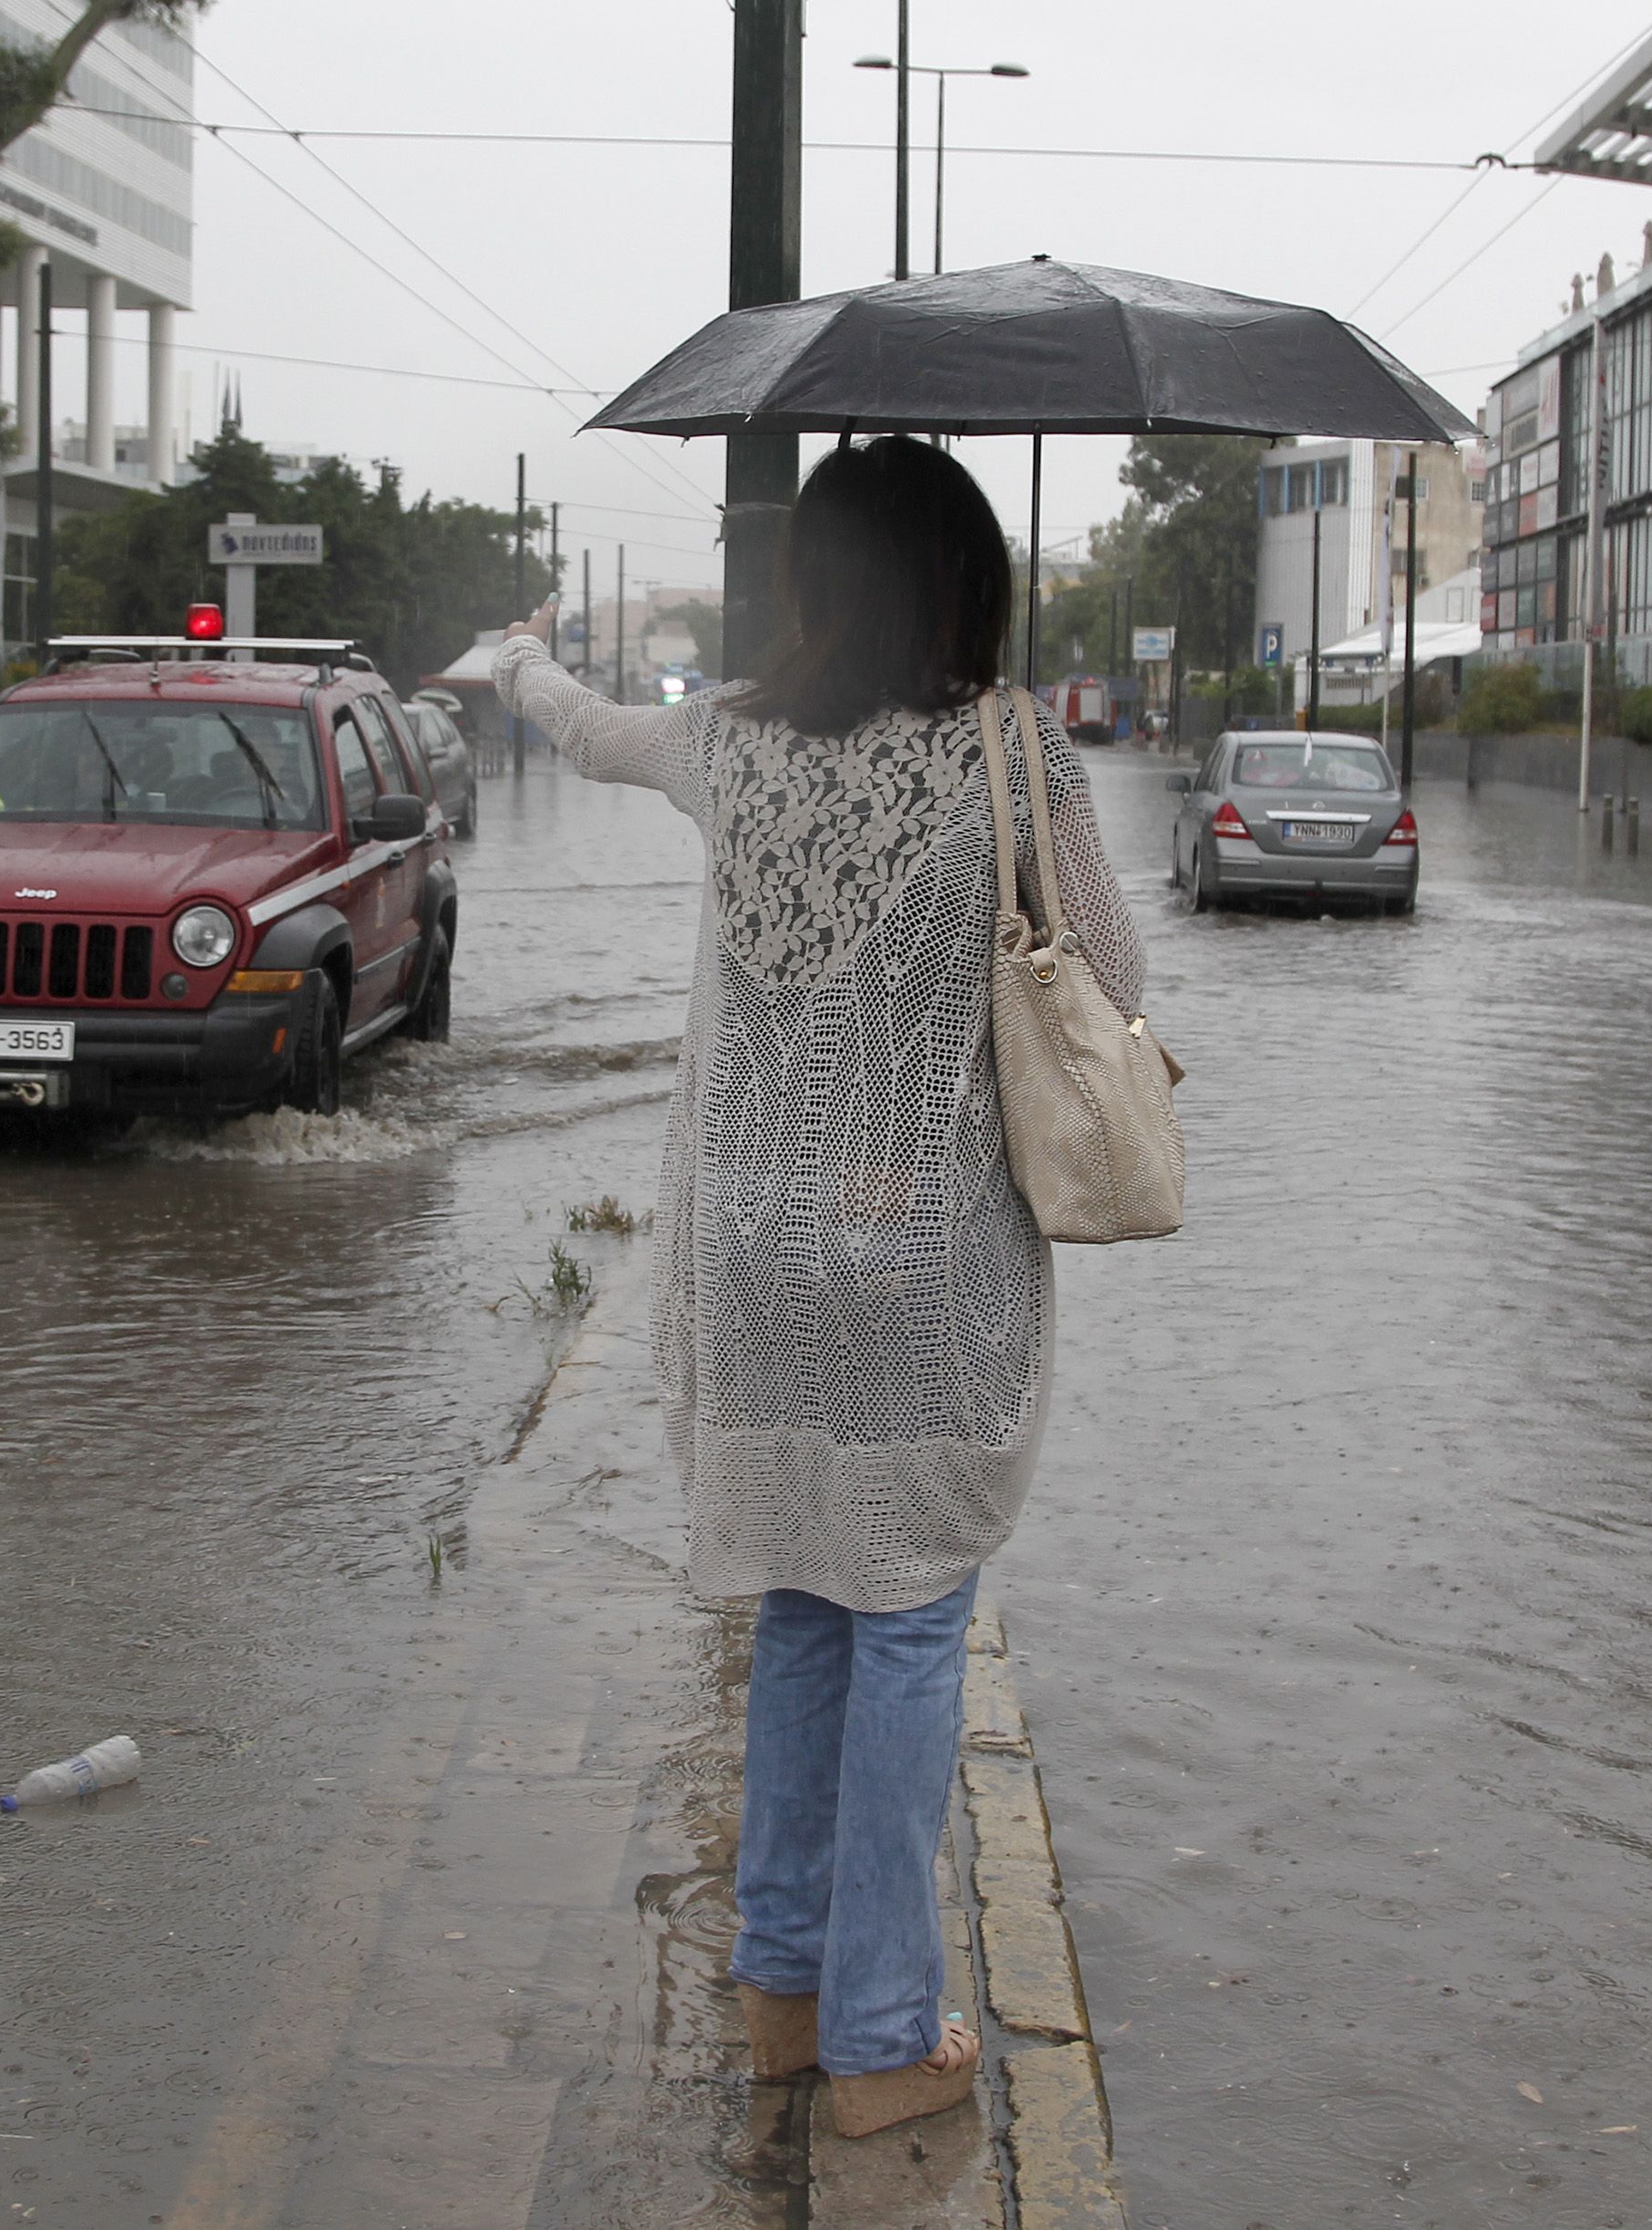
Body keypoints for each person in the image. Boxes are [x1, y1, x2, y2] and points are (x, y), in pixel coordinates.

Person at [493, 437, 1145, 2138]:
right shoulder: (1016, 753)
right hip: (918, 1267)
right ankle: (878, 2040)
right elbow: (1111, 980)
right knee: (913, 1619)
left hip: (759, 1257)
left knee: (795, 1601)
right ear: (966, 581)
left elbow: (581, 728)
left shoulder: (729, 746)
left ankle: (783, 1992)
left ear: (810, 586)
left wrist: (522, 656)